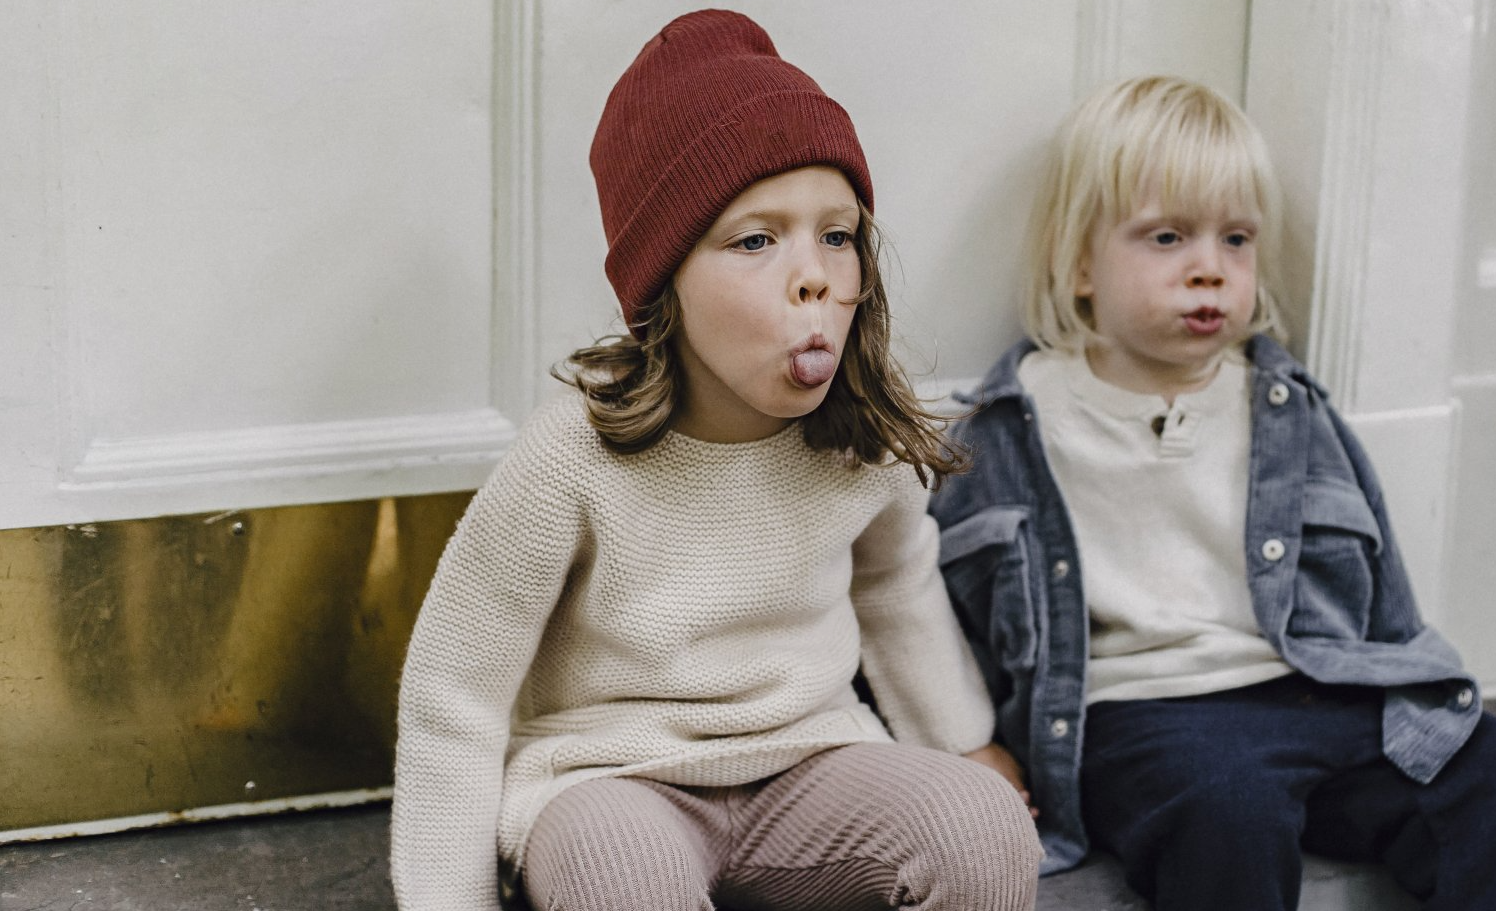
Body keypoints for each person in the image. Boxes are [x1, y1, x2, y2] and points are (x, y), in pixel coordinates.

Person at [389, 11, 1042, 911]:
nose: (811, 276)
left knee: (986, 829)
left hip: (811, 763)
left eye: (837, 235)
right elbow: (456, 685)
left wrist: (964, 742)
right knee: (624, 879)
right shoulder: (574, 451)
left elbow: (897, 584)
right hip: (611, 779)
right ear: (664, 285)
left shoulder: (860, 437)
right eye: (755, 239)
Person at [930, 75, 1496, 911]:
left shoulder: (1288, 411)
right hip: (1144, 717)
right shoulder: (1018, 424)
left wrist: (1410, 692)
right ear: (1080, 265)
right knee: (1229, 809)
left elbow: (1379, 590)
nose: (1209, 272)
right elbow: (938, 610)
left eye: (1235, 240)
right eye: (1166, 237)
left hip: (1313, 687)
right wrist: (969, 748)